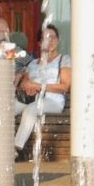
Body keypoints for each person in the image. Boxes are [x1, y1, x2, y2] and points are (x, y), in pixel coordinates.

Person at [13, 25, 71, 161]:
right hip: (31, 100)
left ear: (58, 40)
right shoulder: (33, 63)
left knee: (30, 110)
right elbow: (24, 84)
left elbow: (64, 87)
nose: (50, 41)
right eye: (46, 38)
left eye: (53, 37)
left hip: (53, 101)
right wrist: (26, 87)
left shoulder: (64, 60)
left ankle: (14, 149)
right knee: (6, 110)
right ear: (39, 43)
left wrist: (37, 86)